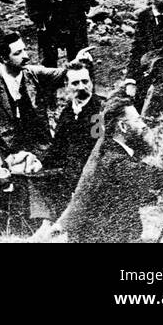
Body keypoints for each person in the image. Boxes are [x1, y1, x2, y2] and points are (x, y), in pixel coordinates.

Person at [0, 32, 90, 241]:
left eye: (24, 49)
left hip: (35, 143)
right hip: (1, 146)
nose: (26, 56)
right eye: (18, 52)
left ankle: (46, 221)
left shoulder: (32, 74)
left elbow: (61, 75)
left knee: (48, 169)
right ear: (4, 59)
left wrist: (76, 62)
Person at [50, 97, 163, 243]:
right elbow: (159, 177)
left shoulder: (111, 153)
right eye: (138, 120)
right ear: (123, 127)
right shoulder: (115, 161)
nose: (144, 125)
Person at [41, 59, 104, 213]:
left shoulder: (100, 110)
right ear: (66, 85)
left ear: (91, 82)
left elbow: (98, 148)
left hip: (91, 173)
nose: (81, 87)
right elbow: (58, 147)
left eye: (85, 81)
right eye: (75, 83)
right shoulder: (67, 111)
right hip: (68, 172)